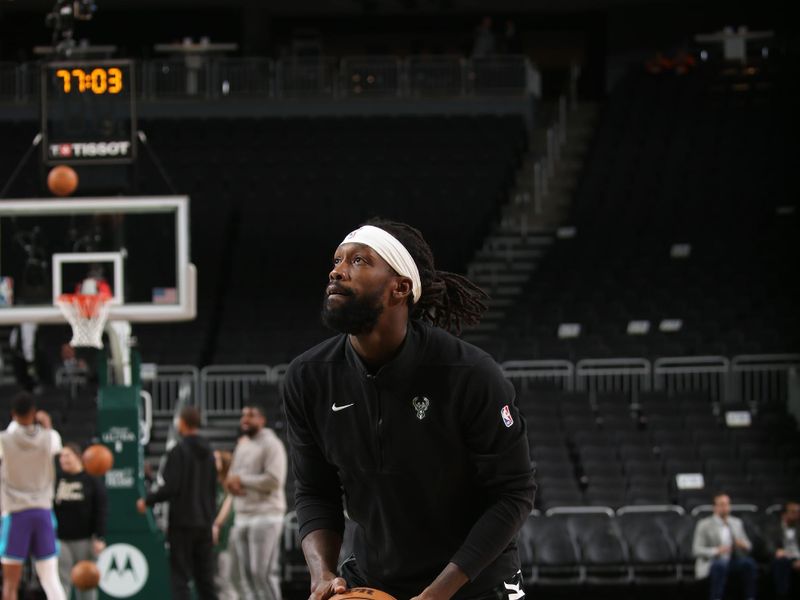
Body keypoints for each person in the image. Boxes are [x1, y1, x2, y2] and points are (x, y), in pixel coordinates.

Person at [283, 219, 536, 600]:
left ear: (400, 288)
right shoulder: (308, 378)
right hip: (376, 577)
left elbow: (513, 493)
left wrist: (438, 593)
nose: (336, 271)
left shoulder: (470, 374)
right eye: (337, 260)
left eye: (359, 261)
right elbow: (315, 491)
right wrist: (322, 573)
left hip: (476, 581)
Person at [136, 406, 218, 600]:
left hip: (182, 522)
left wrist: (147, 501)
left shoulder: (178, 451)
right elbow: (213, 490)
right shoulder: (210, 453)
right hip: (205, 522)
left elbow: (171, 487)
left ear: (182, 423)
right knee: (205, 578)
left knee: (180, 576)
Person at [0, 392, 67, 600]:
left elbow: (13, 434)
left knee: (10, 583)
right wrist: (46, 424)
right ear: (34, 412)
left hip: (16, 513)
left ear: (13, 414)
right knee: (51, 580)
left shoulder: (3, 439)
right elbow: (55, 445)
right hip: (43, 512)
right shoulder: (51, 437)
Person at [225, 403, 287, 600]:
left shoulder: (272, 444)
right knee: (246, 578)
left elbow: (274, 480)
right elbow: (232, 475)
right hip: (242, 515)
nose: (245, 419)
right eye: (243, 415)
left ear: (262, 420)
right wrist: (231, 484)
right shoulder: (242, 445)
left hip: (265, 515)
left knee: (263, 575)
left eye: (250, 415)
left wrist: (241, 481)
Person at [53, 442, 108, 600]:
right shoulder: (56, 479)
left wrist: (100, 537)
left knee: (86, 584)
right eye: (61, 456)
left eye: (67, 455)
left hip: (85, 539)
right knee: (61, 582)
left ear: (78, 457)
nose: (63, 460)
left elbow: (101, 510)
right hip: (61, 539)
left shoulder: (91, 480)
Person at [692, 492, 757, 600]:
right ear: (715, 507)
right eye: (722, 504)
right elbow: (696, 550)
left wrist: (743, 545)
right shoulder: (704, 524)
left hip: (733, 561)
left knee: (748, 563)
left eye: (727, 504)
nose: (725, 507)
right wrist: (716, 551)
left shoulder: (736, 523)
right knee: (720, 565)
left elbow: (749, 546)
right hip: (712, 562)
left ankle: (750, 597)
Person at [213, 450, 239, 600]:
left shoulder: (229, 483)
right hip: (217, 535)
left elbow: (227, 507)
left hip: (229, 532)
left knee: (226, 576)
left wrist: (216, 524)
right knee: (216, 578)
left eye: (216, 459)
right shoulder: (214, 482)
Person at [765, 501, 800, 599]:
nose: (797, 514)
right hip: (783, 558)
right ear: (784, 514)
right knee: (782, 561)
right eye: (793, 512)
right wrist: (776, 551)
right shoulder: (773, 528)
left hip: (798, 557)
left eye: (798, 511)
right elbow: (769, 545)